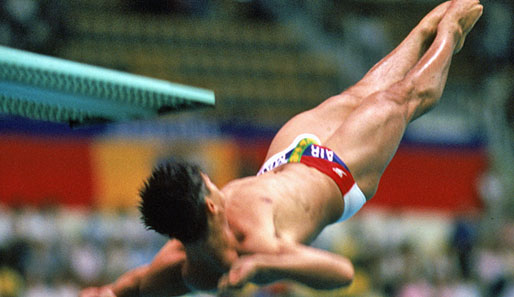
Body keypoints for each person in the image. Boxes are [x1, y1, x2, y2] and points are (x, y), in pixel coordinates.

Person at [80, 0, 483, 296]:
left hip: (285, 159)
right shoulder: (255, 247)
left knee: (358, 92)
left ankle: (425, 26)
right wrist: (262, 267)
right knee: (400, 99)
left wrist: (105, 292)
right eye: (208, 184)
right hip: (338, 176)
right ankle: (451, 32)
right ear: (210, 204)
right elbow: (341, 272)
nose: (212, 183)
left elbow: (135, 286)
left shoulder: (180, 255)